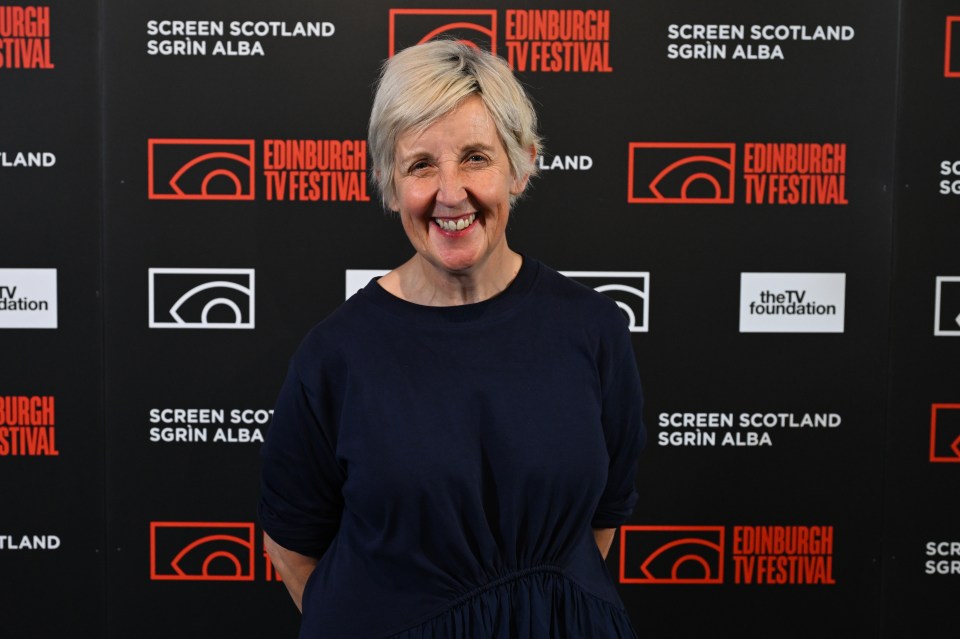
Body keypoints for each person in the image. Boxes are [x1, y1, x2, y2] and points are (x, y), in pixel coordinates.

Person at [259, 39, 645, 638]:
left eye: (475, 157)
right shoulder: (335, 357)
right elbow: (291, 549)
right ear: (390, 184)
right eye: (420, 165)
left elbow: (601, 521)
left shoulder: (592, 330)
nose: (450, 192)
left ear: (521, 166)